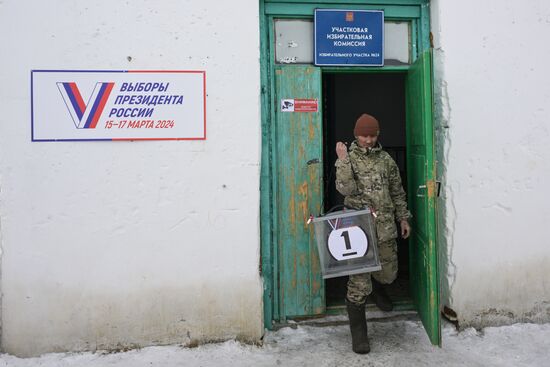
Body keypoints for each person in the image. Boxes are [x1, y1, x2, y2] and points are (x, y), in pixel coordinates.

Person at [334, 113, 411, 354]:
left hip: (385, 226)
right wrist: (343, 160)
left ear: (378, 135)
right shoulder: (349, 158)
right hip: (358, 229)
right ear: (356, 135)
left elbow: (397, 190)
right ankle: (359, 335)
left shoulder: (386, 159)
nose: (368, 139)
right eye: (364, 135)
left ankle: (378, 288)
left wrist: (403, 217)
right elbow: (344, 188)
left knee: (388, 274)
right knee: (358, 283)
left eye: (372, 135)